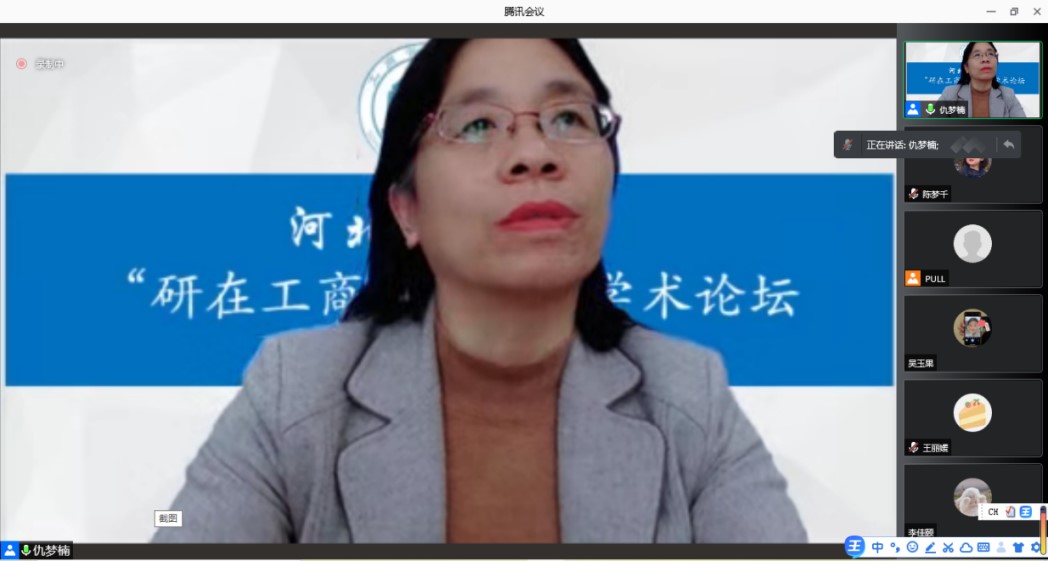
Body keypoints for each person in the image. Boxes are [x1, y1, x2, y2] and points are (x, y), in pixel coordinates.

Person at [153, 38, 806, 544]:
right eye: (476, 126)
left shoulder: (688, 394)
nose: (535, 153)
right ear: (407, 208)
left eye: (568, 117)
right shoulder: (296, 390)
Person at [938, 42, 1026, 118]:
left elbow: (1024, 129)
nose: (985, 59)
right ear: (966, 67)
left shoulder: (1007, 95)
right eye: (977, 55)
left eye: (990, 54)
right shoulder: (951, 94)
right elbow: (933, 128)